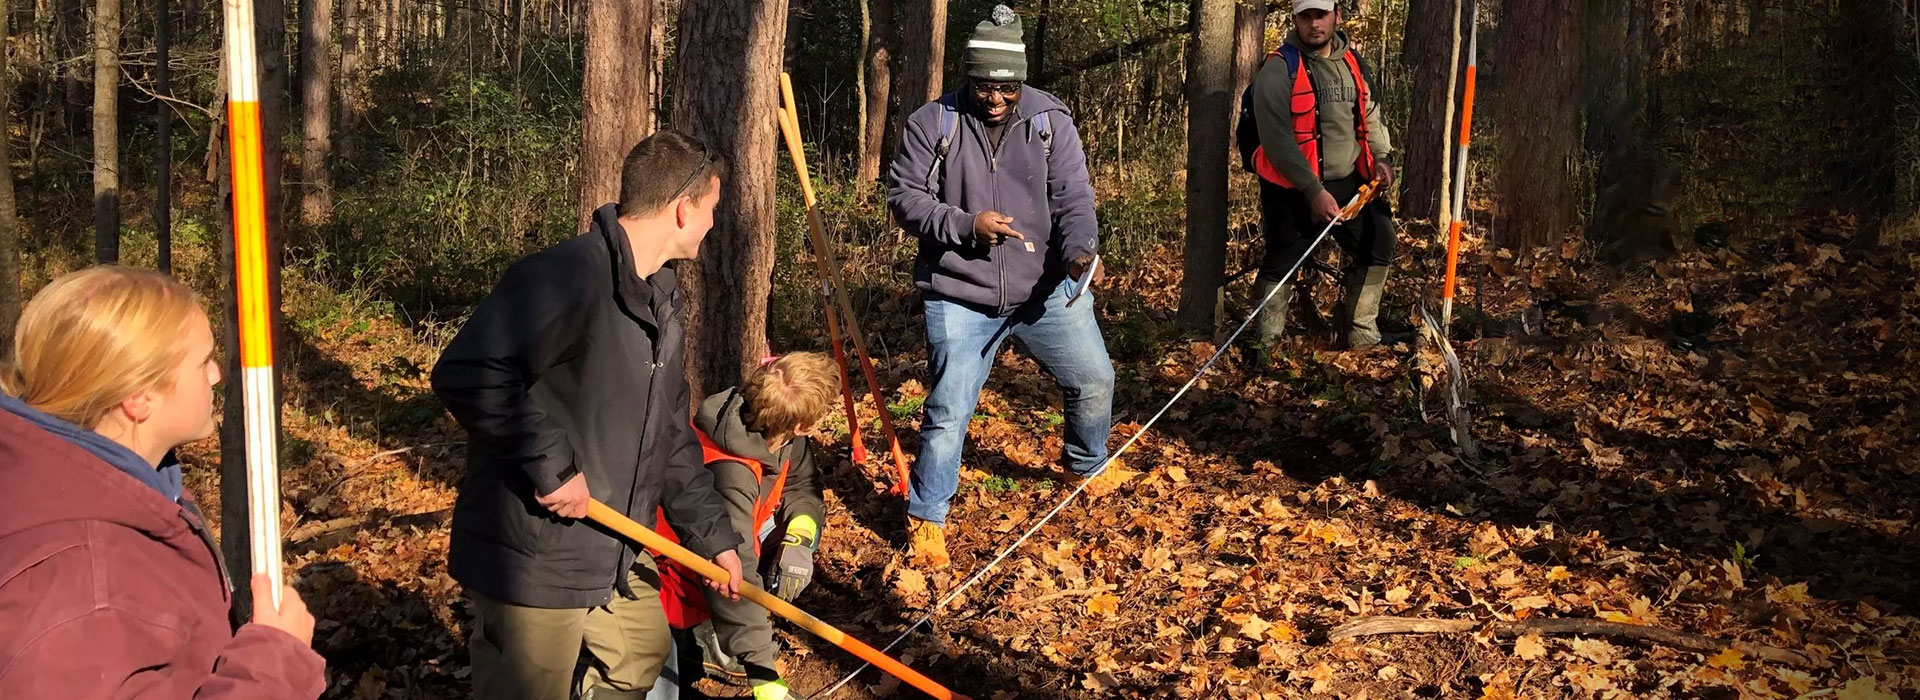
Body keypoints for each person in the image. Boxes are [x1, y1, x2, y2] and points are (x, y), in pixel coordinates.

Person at [431, 129, 746, 700]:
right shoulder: (566, 276)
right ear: (682, 209)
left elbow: (672, 437)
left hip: (615, 546)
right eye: (711, 209)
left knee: (640, 652)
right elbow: (470, 371)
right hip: (535, 551)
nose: (713, 223)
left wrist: (713, 538)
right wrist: (552, 466)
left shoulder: (661, 301)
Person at [0, 266, 326, 698]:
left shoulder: (106, 484)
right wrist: (276, 665)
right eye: (203, 362)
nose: (215, 376)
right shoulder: (81, 587)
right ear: (139, 397)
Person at [888, 4, 1130, 569]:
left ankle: (1085, 462)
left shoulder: (1050, 120)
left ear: (1021, 81)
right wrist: (965, 225)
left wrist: (1080, 252)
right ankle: (927, 518)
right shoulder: (933, 123)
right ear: (966, 78)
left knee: (1094, 379)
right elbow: (904, 199)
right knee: (949, 409)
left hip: (1045, 289)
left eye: (1007, 88)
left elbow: (1075, 196)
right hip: (958, 291)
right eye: (983, 86)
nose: (995, 98)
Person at [651, 352, 839, 700]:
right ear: (801, 425)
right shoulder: (730, 475)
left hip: (723, 553)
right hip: (662, 574)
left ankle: (723, 634)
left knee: (771, 540)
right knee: (647, 681)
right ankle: (716, 638)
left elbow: (802, 487)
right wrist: (764, 674)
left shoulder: (780, 436)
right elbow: (733, 578)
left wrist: (799, 536)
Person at [1245, 0, 1406, 351]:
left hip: (1350, 181)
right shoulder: (1277, 70)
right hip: (1292, 185)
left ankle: (1363, 336)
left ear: (1337, 16)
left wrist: (1382, 158)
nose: (1314, 24)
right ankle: (1267, 347)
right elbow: (1276, 142)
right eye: (1306, 16)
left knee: (1379, 243)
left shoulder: (1354, 63)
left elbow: (1371, 116)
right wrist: (1312, 191)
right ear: (1295, 20)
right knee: (1282, 261)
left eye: (1321, 15)